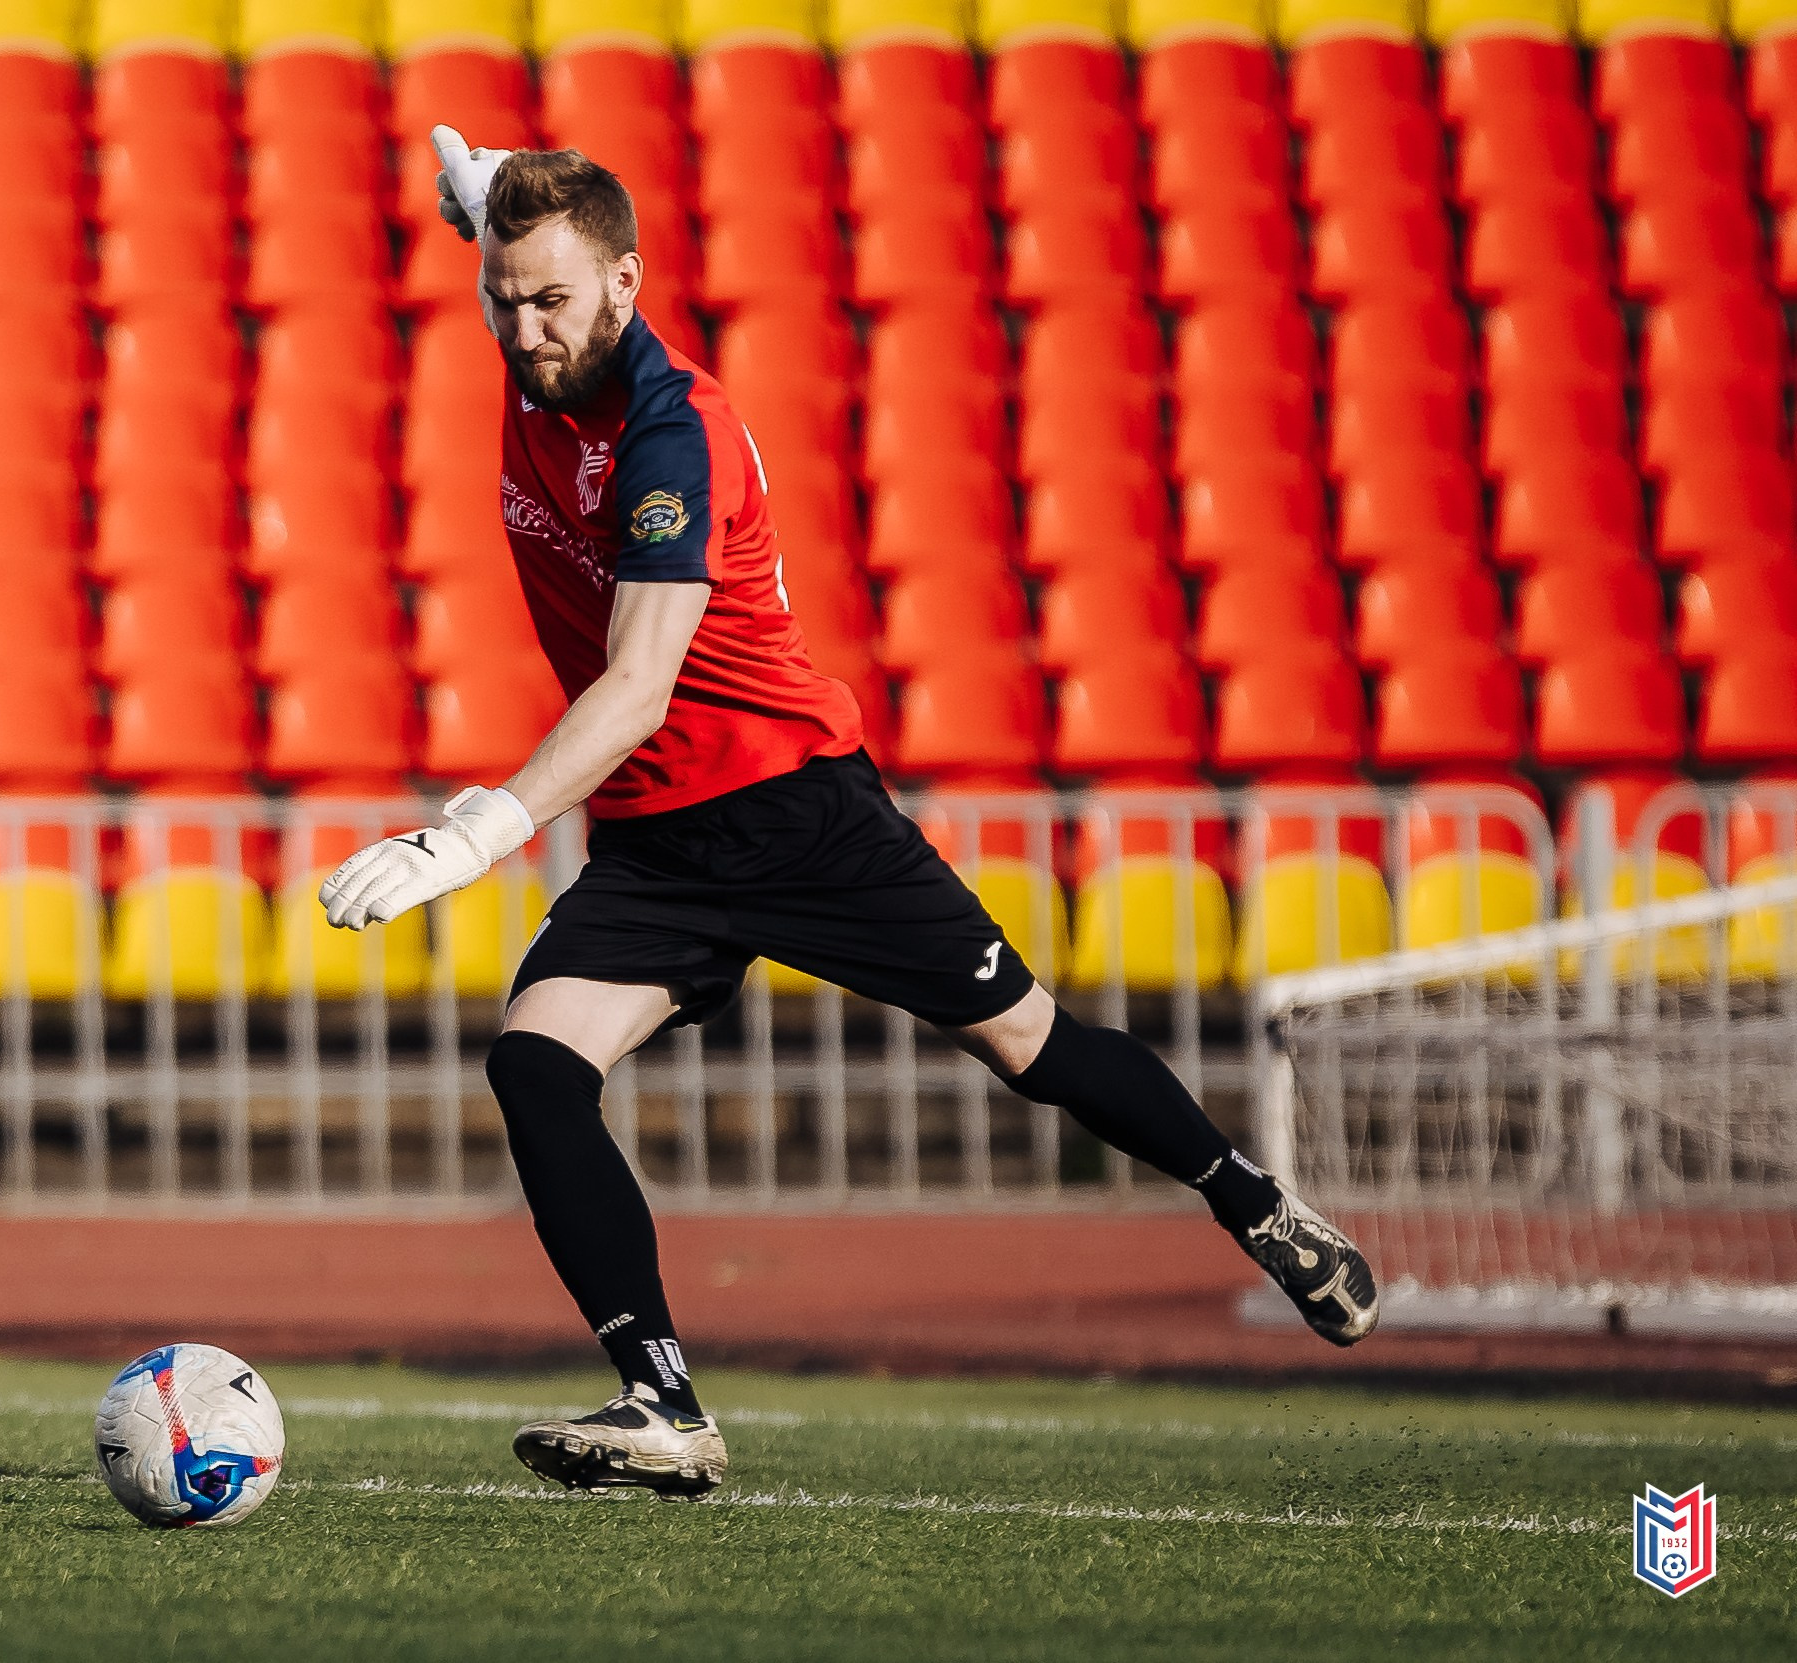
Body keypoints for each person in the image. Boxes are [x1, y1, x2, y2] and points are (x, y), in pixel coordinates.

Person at [319, 142, 1377, 1499]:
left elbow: (638, 687)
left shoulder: (667, 434)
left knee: (1028, 1045)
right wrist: (487, 204)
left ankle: (1257, 1205)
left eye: (550, 303)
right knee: (534, 1066)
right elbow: (526, 248)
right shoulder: (545, 336)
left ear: (626, 288)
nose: (523, 332)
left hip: (794, 811)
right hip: (657, 843)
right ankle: (661, 1400)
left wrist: (464, 836)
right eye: (500, 300)